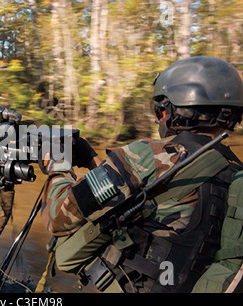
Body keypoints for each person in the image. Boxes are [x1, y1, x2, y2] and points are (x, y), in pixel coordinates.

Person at [40, 56, 243, 293]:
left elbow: (57, 216)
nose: (160, 117)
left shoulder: (149, 154)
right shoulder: (234, 172)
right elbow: (132, 196)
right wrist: (91, 160)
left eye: (162, 108)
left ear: (183, 109)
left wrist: (58, 165)